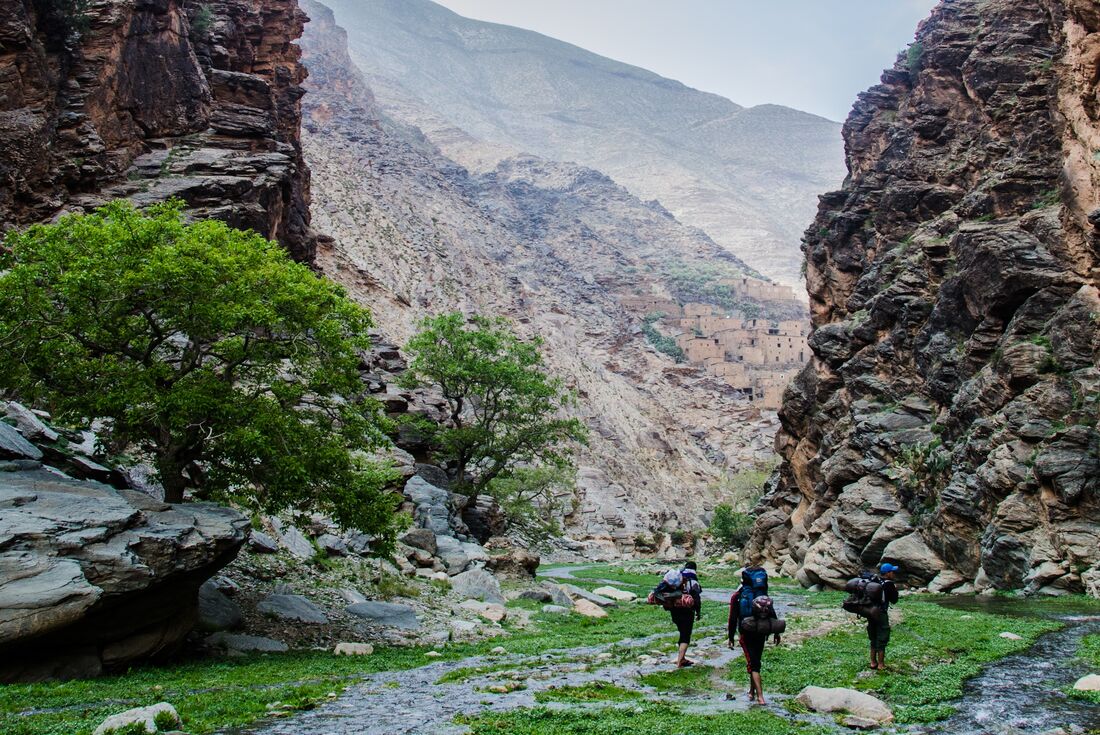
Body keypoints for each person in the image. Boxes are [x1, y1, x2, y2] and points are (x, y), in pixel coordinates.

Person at [647, 568, 700, 668]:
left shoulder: (667, 588)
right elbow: (696, 600)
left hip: (674, 613)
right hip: (686, 614)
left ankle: (682, 658)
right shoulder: (689, 585)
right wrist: (698, 612)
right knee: (685, 636)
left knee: (682, 633)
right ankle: (680, 662)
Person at [869, 562, 900, 671]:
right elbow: (894, 600)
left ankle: (873, 662)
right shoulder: (889, 584)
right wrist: (895, 589)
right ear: (887, 573)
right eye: (892, 571)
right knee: (882, 637)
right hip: (881, 613)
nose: (894, 573)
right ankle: (881, 664)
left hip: (870, 612)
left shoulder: (874, 580)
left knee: (873, 637)